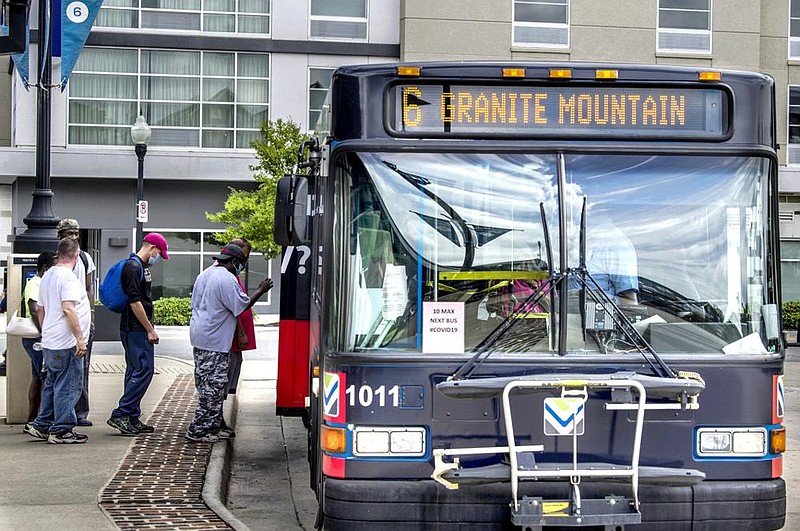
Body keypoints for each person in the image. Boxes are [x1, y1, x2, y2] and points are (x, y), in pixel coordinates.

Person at [186, 243, 272, 443]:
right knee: (213, 389)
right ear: (234, 262)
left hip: (200, 337)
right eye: (241, 263)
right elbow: (241, 305)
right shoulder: (226, 279)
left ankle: (213, 427)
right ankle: (198, 430)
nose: (241, 268)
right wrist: (260, 290)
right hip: (214, 340)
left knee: (208, 384)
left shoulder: (205, 274)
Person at [23, 238, 91, 444]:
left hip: (52, 341)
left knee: (52, 384)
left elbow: (41, 309)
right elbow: (68, 308)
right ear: (76, 255)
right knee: (68, 386)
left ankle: (42, 424)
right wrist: (80, 339)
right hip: (66, 342)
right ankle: (61, 429)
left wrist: (47, 332)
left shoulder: (48, 276)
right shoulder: (68, 279)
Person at [107, 233, 170, 436]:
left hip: (134, 328)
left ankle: (132, 416)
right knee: (144, 370)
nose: (158, 257)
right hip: (135, 328)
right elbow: (135, 301)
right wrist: (149, 329)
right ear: (151, 248)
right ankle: (122, 413)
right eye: (159, 253)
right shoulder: (134, 268)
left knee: (135, 370)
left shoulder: (140, 267)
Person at [57, 218, 96, 426]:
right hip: (64, 320)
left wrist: (91, 314)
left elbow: (89, 287)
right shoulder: (57, 260)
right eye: (68, 233)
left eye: (75, 233)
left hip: (83, 318)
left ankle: (81, 412)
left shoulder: (84, 258)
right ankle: (63, 413)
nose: (73, 237)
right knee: (61, 370)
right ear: (60, 235)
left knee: (83, 368)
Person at [220, 237, 257, 436]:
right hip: (231, 340)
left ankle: (219, 419)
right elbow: (232, 308)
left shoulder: (233, 276)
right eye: (243, 257)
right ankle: (217, 420)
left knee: (230, 380)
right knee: (223, 382)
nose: (246, 261)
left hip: (236, 342)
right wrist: (241, 332)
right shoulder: (227, 277)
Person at [21, 250, 58, 424]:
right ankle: (40, 420)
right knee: (44, 377)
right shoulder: (35, 283)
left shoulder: (41, 283)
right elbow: (35, 310)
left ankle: (33, 418)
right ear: (45, 267)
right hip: (37, 338)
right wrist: (46, 334)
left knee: (37, 376)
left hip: (38, 337)